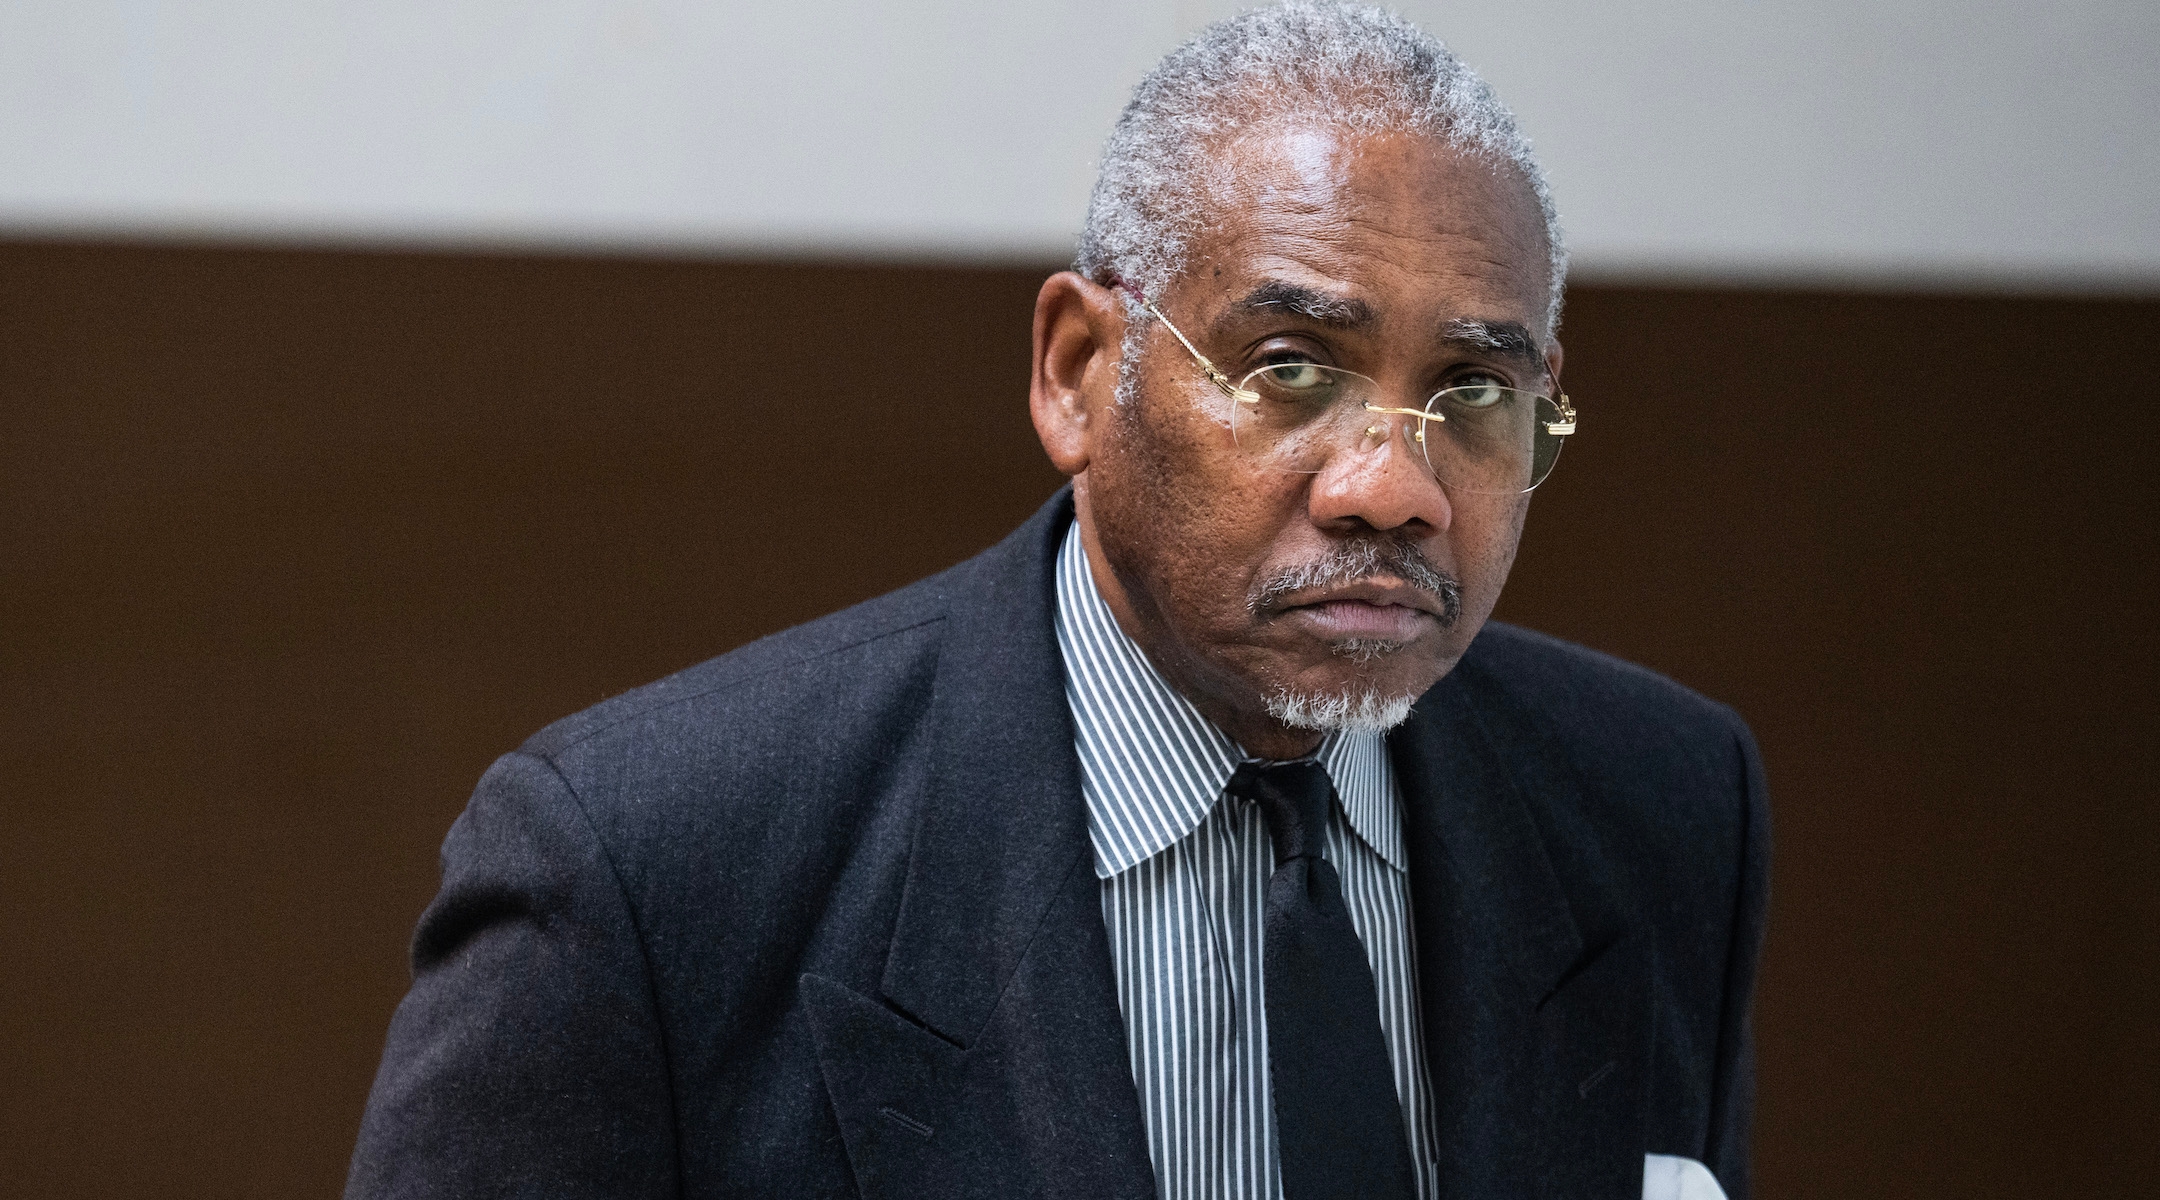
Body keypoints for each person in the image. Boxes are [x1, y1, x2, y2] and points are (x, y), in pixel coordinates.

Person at [345, 4, 1768, 1199]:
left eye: (1474, 393)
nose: (1392, 486)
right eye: (1287, 368)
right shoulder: (650, 871)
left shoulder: (1658, 804)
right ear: (1081, 371)